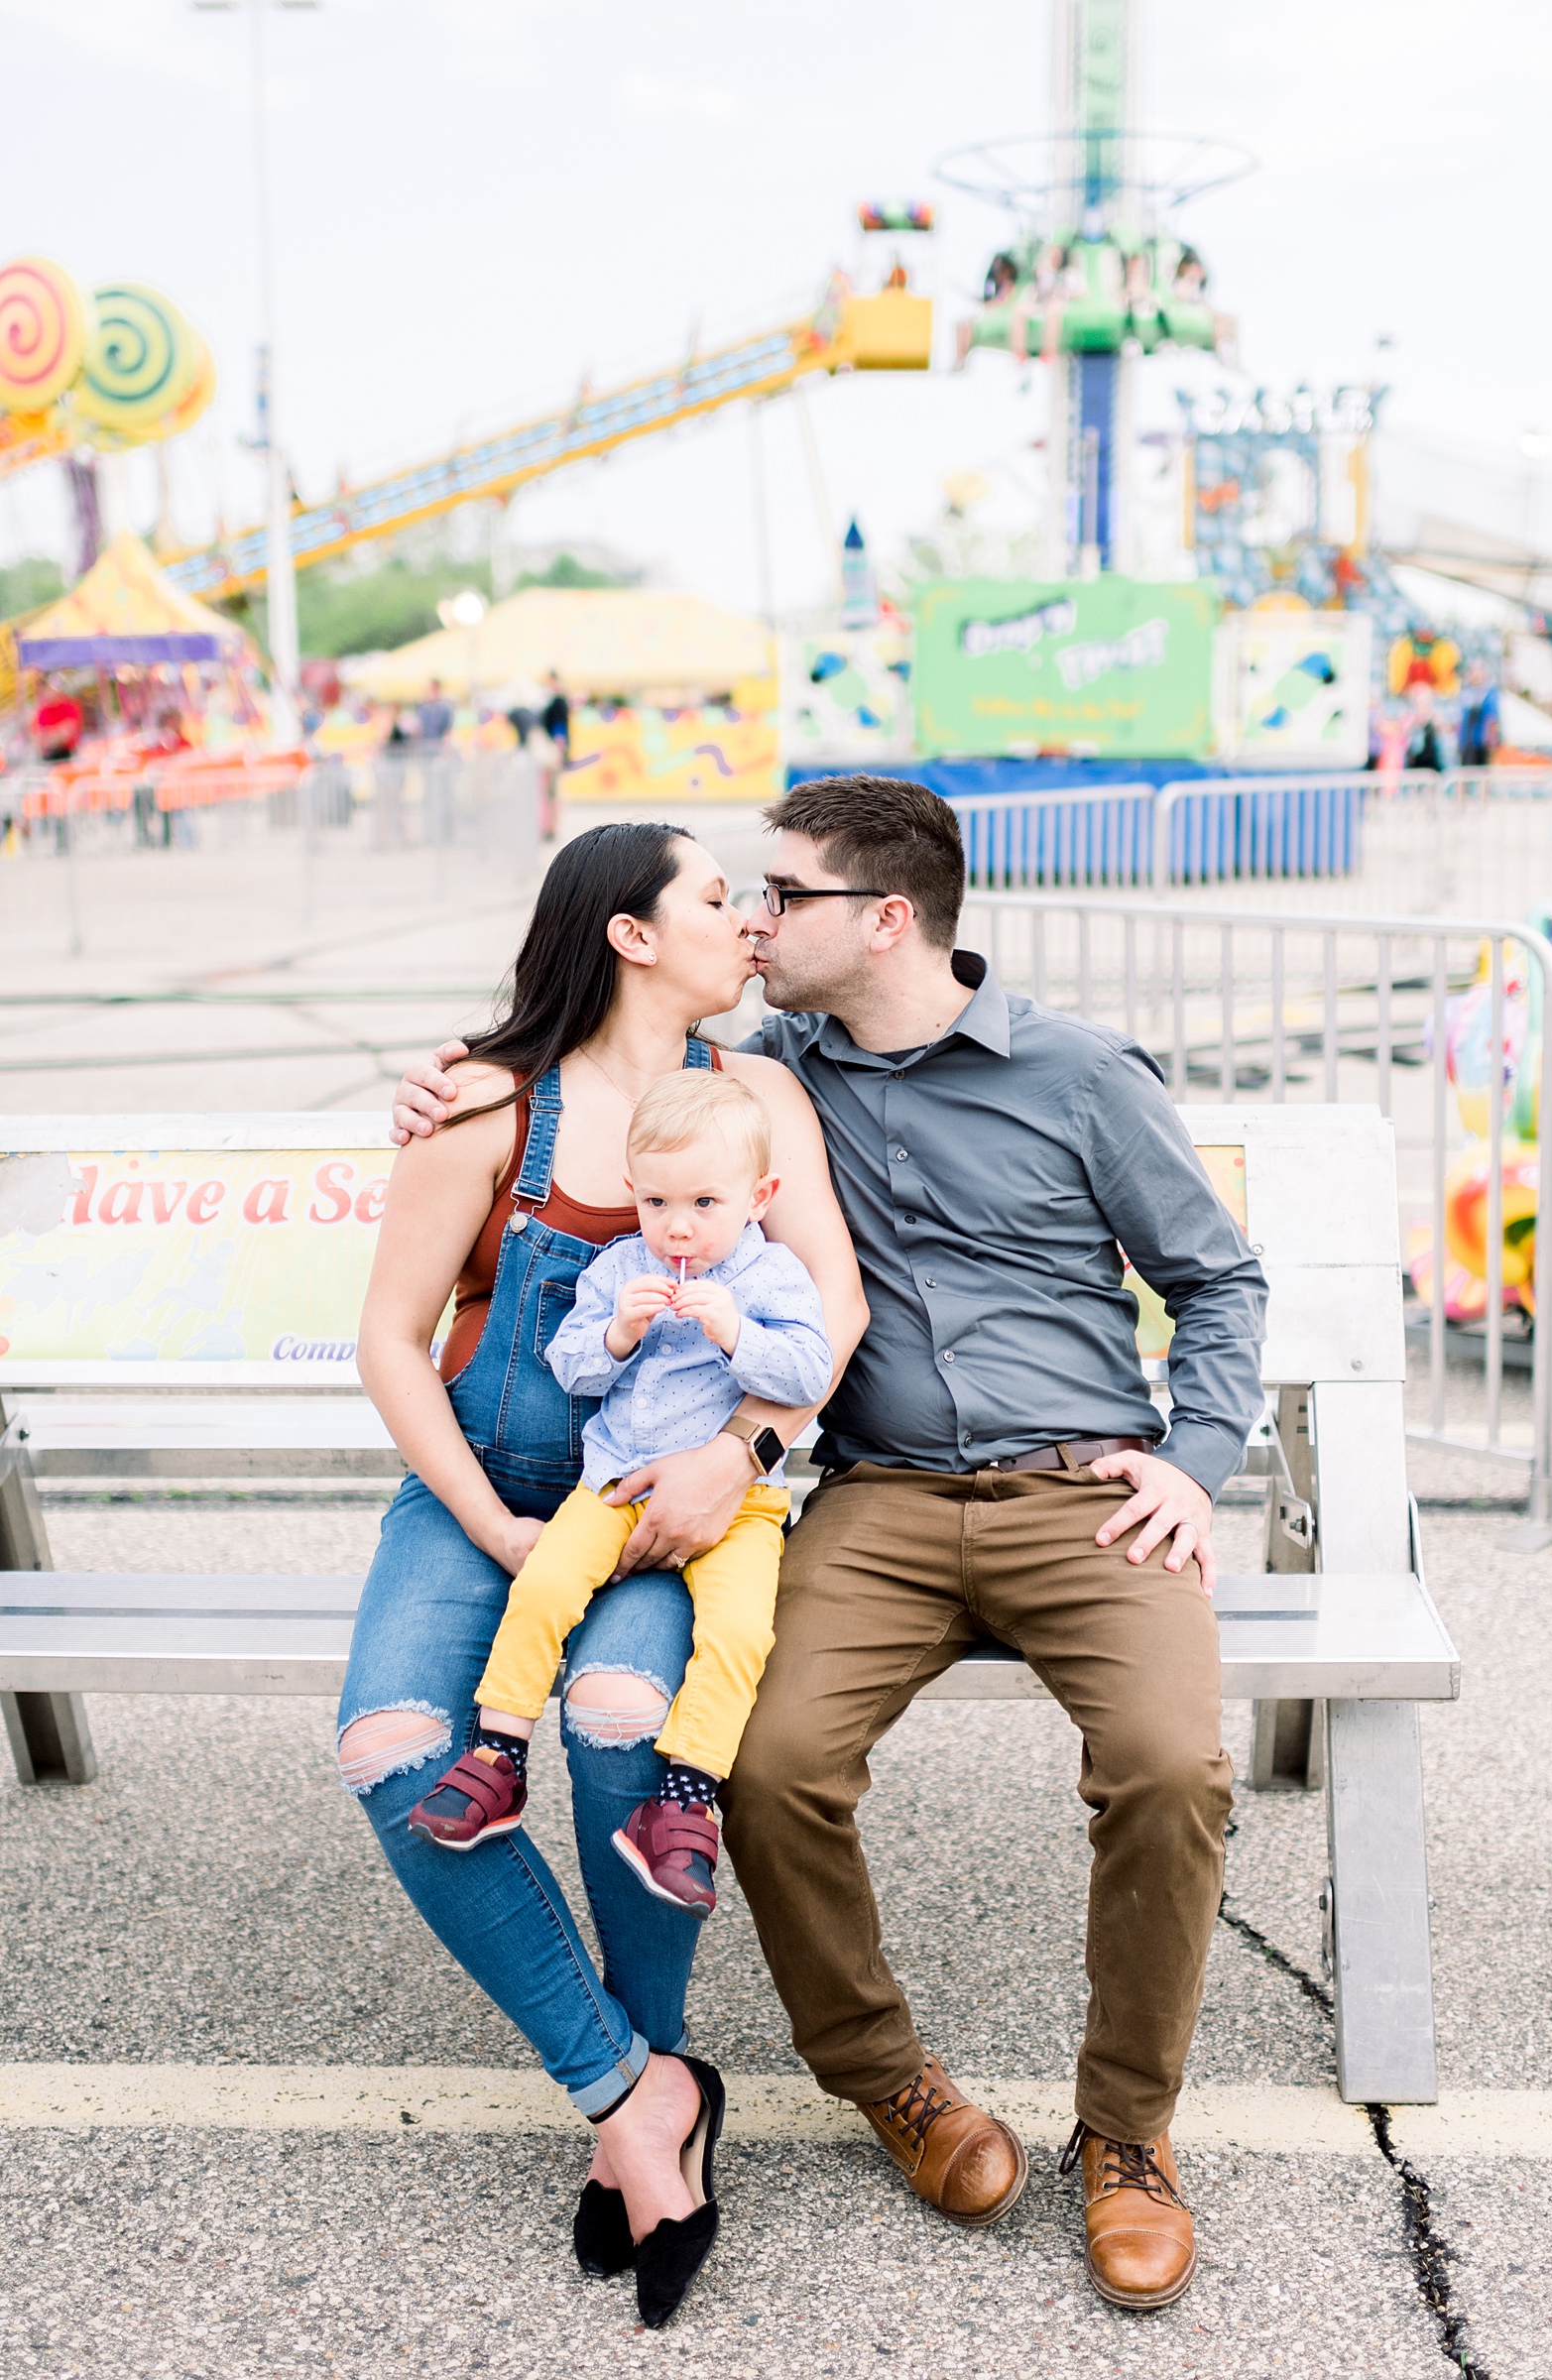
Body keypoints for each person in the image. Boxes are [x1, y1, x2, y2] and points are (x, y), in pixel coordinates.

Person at [392, 774, 1267, 2314]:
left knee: (1173, 1768)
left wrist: (1195, 1462)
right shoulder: (769, 1074)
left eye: (778, 897)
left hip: (1083, 1488)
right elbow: (601, 1049)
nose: (750, 918)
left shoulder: (1074, 1074)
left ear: (883, 918)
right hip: (875, 1493)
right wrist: (450, 1075)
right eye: (738, 898)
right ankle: (890, 2080)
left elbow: (1216, 1283)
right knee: (770, 1762)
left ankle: (1125, 2134)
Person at [351, 819, 867, 2328]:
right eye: (718, 901)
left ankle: (645, 2098)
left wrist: (744, 1459)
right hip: (487, 1500)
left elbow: (825, 1304)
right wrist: (498, 1529)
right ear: (633, 935)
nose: (749, 925)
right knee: (394, 1752)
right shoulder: (485, 1102)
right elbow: (390, 1339)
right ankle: (634, 2094)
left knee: (624, 1719)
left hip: (673, 1504)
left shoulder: (760, 1092)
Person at [408, 1068, 832, 1926]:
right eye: (657, 1203)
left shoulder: (773, 1278)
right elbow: (570, 1367)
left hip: (738, 1507)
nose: (678, 1226)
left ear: (761, 1196)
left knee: (744, 1631)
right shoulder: (618, 1267)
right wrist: (619, 1331)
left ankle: (683, 1796)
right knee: (546, 1588)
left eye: (705, 1203)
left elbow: (808, 1373)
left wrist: (734, 1332)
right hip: (611, 1485)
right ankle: (498, 1753)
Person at [1459, 662, 1500, 768]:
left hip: (1483, 745)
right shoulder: (1466, 695)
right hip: (1468, 745)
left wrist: (1491, 743)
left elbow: (1492, 720)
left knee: (1483, 775)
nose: (1474, 677)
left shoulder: (1490, 695)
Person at [541, 669, 570, 760]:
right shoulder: (552, 691)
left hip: (558, 722)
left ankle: (560, 760)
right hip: (554, 723)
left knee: (559, 745)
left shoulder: (557, 691)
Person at [416, 677, 454, 746]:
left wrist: (444, 752)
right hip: (424, 747)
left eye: (430, 689)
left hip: (438, 746)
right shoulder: (422, 709)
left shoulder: (445, 709)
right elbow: (418, 730)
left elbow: (448, 732)